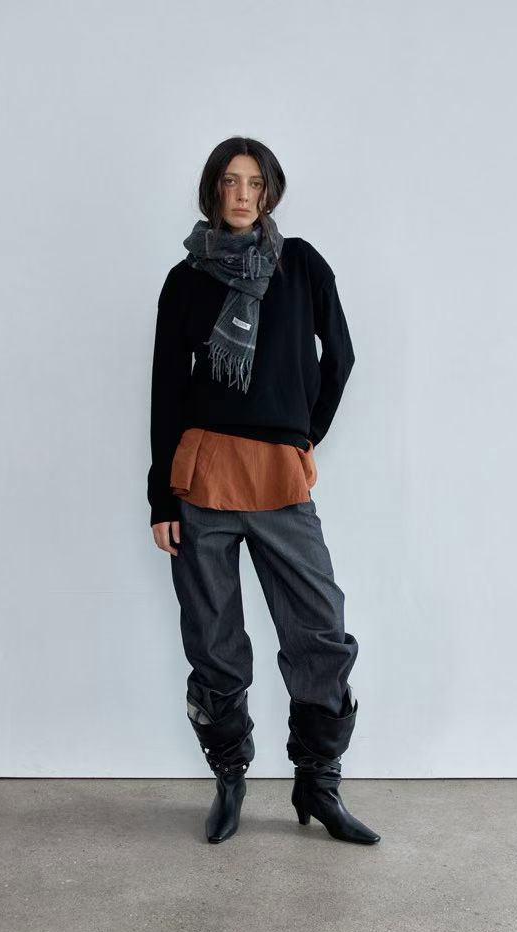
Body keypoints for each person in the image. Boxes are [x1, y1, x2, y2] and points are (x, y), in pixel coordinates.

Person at [148, 136, 380, 846]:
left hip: (280, 476)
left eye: (254, 182)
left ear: (270, 191)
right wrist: (161, 499)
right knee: (213, 640)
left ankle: (319, 784)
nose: (242, 195)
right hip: (202, 476)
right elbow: (166, 389)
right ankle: (229, 780)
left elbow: (340, 358)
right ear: (212, 190)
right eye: (229, 181)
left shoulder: (300, 264)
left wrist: (302, 436)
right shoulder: (186, 279)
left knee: (320, 632)